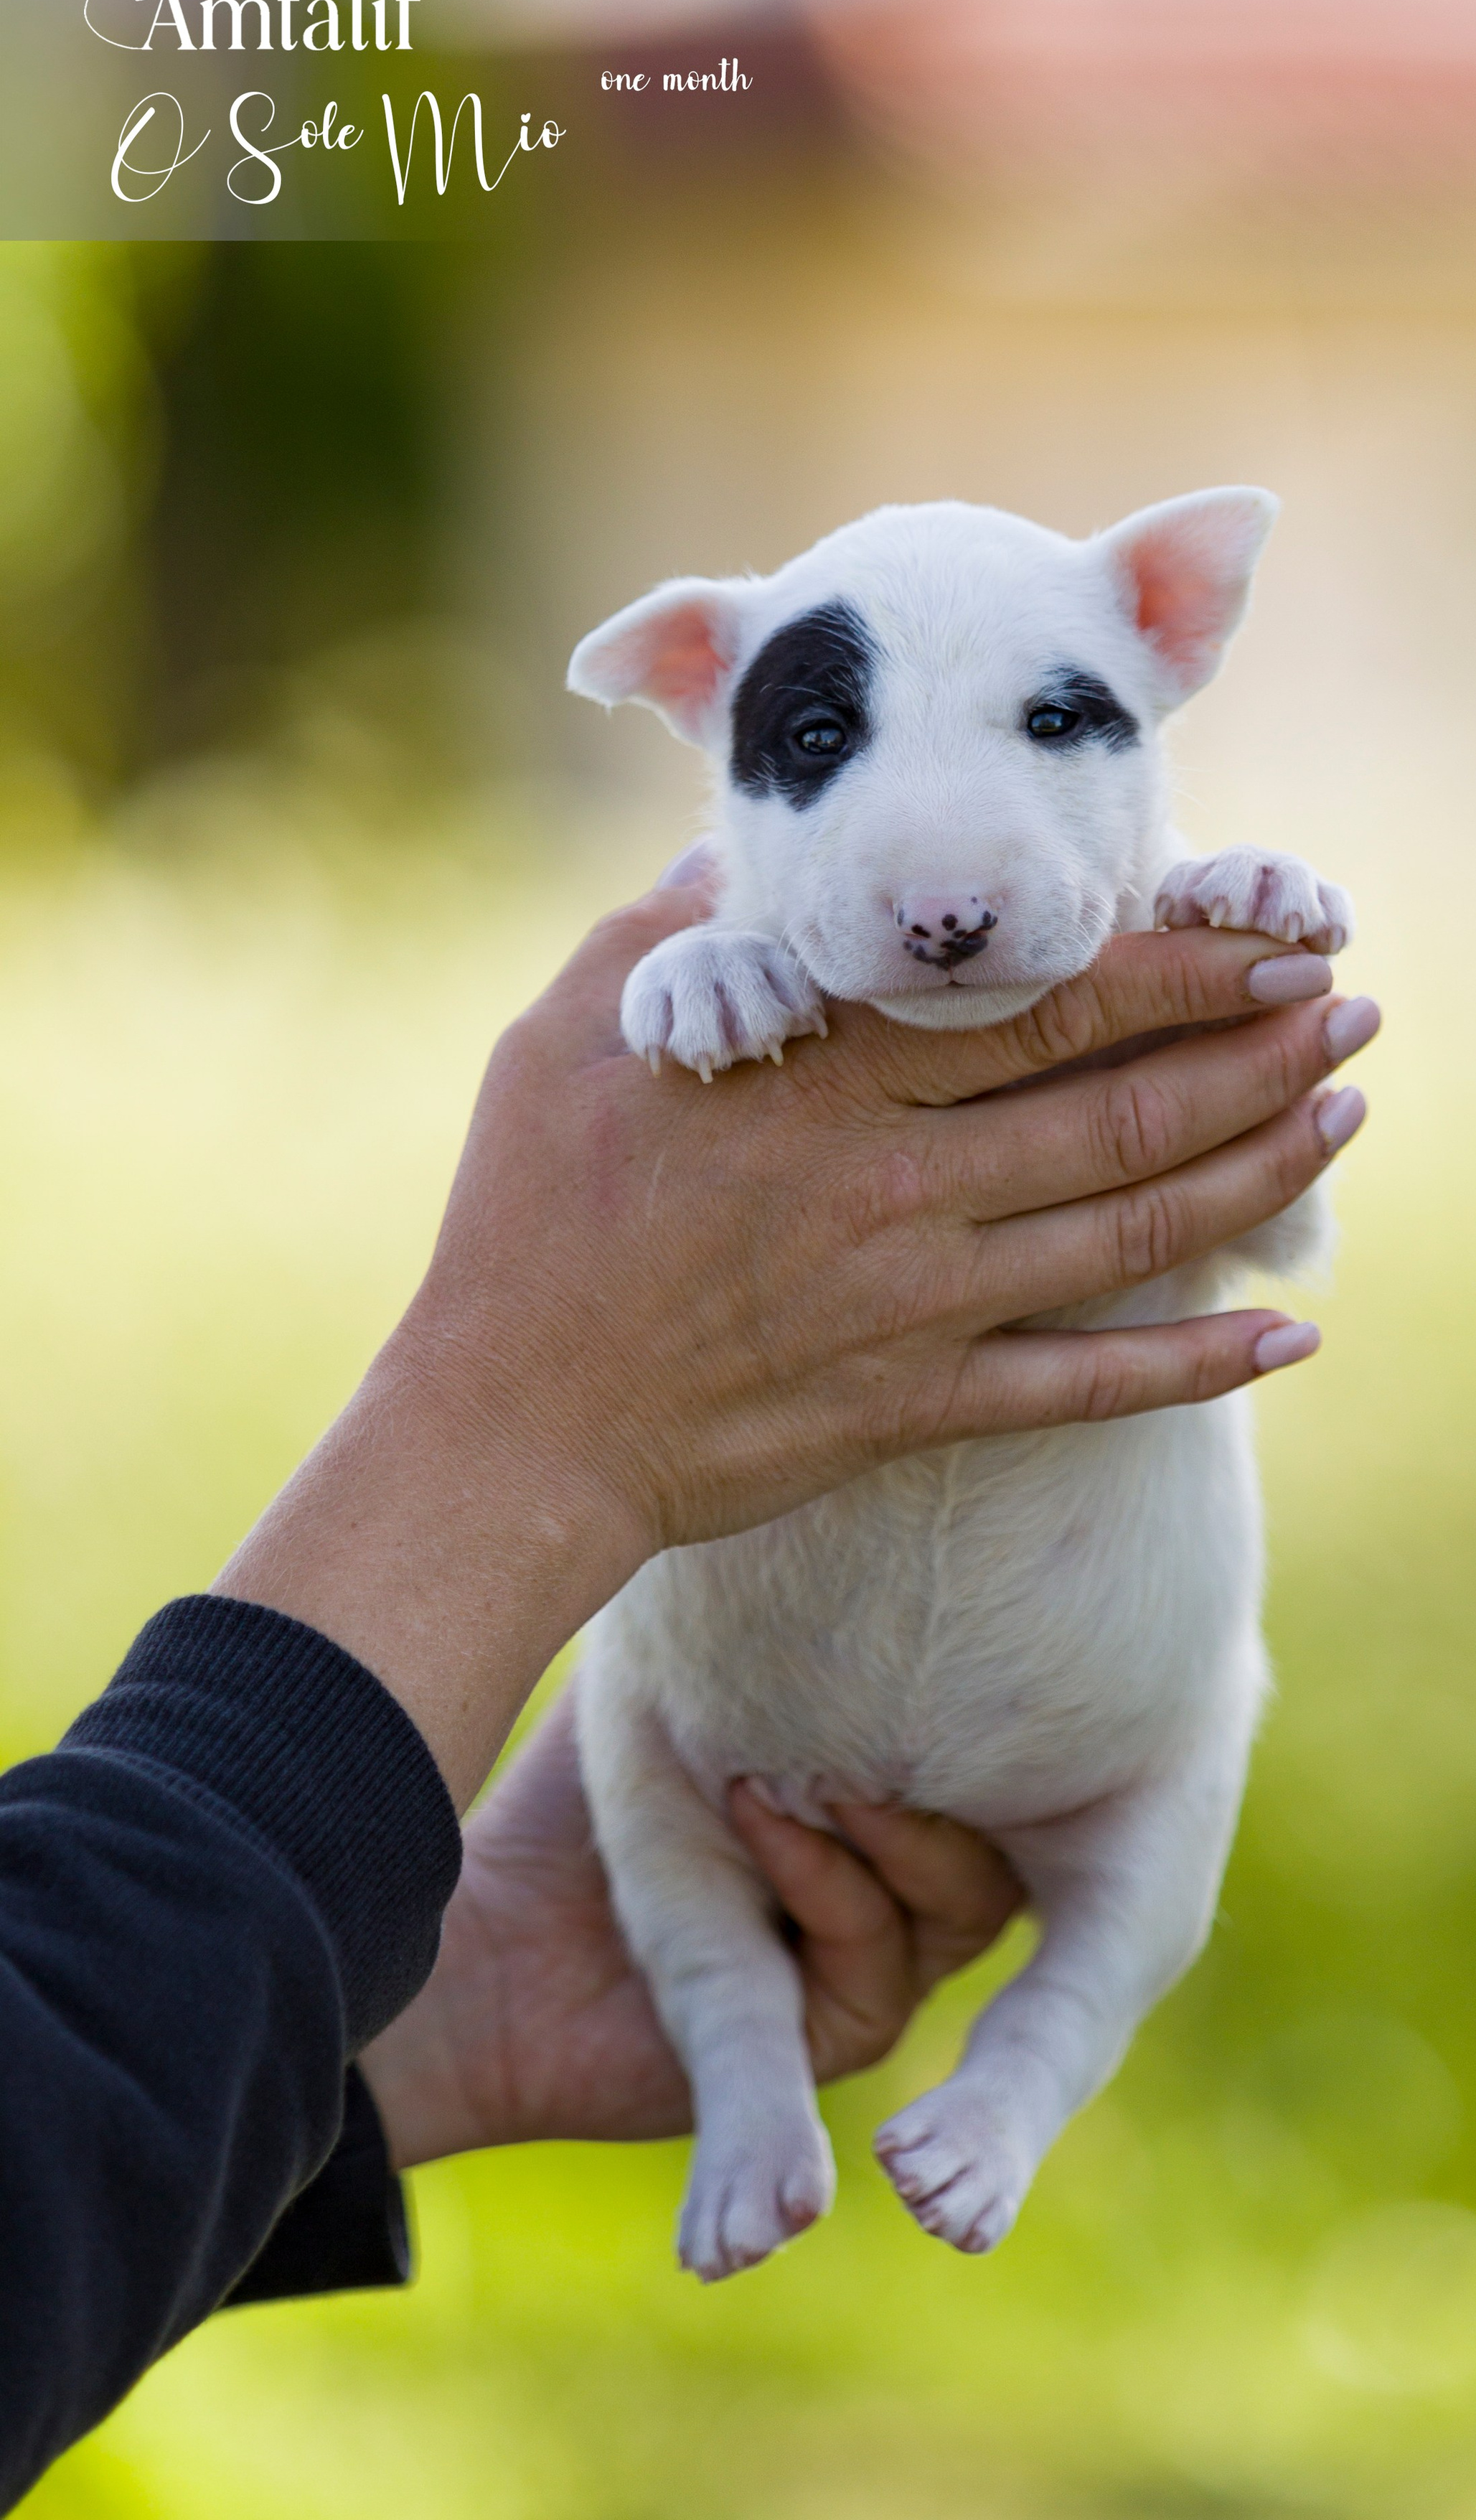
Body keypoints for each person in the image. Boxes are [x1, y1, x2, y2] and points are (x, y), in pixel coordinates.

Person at [0, 859, 1377, 2508]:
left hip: (1085, 1739)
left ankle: (1010, 2075)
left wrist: (449, 1996)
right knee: (654, 1729)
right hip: (711, 1746)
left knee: (1133, 1855)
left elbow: (1287, 1228)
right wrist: (519, 1420)